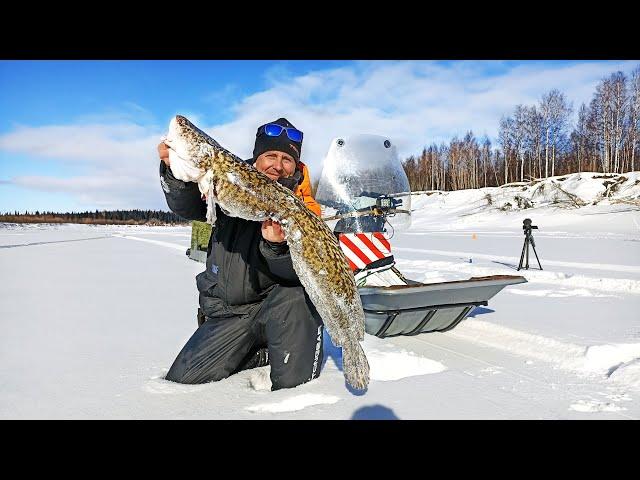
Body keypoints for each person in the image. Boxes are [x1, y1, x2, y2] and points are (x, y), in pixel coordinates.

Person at [157, 117, 324, 390]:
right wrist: (172, 171)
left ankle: (293, 367)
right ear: (257, 158)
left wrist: (277, 247)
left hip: (280, 306)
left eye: (287, 159)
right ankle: (264, 352)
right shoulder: (228, 182)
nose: (278, 165)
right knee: (184, 379)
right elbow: (188, 207)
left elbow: (309, 272)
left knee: (297, 298)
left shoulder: (305, 208)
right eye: (271, 155)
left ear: (296, 166)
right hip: (229, 312)